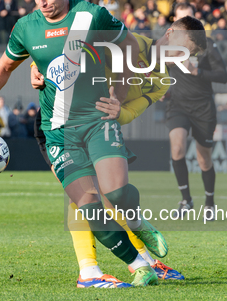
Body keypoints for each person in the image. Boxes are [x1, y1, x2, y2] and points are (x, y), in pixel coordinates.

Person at [0, 0, 167, 288]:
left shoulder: (92, 16)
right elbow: (4, 66)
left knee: (116, 193)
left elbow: (129, 48)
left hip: (97, 120)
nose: (42, 2)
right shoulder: (26, 27)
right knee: (88, 205)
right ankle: (137, 264)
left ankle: (138, 222)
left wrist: (121, 94)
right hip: (58, 132)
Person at [31, 26, 206, 283]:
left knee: (110, 196)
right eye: (181, 48)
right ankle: (91, 270)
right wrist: (35, 67)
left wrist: (116, 110)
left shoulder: (161, 81)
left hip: (99, 126)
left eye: (186, 56)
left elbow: (131, 112)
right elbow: (58, 44)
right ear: (170, 33)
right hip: (58, 121)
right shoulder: (124, 41)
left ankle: (143, 262)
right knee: (83, 196)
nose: (179, 57)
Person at [166, 3, 227, 220]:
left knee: (204, 159)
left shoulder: (207, 45)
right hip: (178, 106)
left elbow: (223, 75)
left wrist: (198, 71)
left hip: (203, 108)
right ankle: (186, 200)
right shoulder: (167, 46)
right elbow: (157, 71)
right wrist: (162, 89)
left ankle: (209, 203)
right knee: (177, 148)